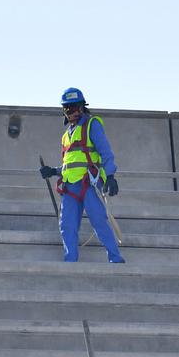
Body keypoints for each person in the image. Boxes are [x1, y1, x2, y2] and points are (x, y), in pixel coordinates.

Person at [39, 87, 125, 263]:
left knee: (99, 221)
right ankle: (70, 262)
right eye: (67, 108)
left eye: (73, 107)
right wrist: (53, 171)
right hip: (69, 187)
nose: (70, 111)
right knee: (66, 225)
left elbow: (105, 152)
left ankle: (115, 259)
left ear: (81, 107)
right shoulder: (66, 136)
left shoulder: (92, 125)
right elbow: (70, 164)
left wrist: (110, 176)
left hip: (88, 184)